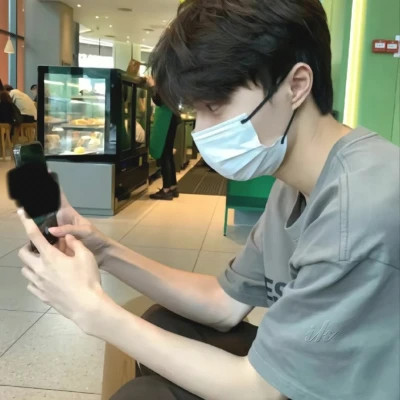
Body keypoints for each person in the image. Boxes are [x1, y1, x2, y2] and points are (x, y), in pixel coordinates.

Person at [16, 1, 399, 400]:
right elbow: (223, 304)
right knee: (164, 323)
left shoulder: (360, 209)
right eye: (197, 110)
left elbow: (259, 390)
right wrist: (104, 250)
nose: (202, 130)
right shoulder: (295, 184)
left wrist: (93, 310)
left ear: (296, 86)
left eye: (215, 106)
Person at [149, 89, 180, 200]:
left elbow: (159, 100)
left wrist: (152, 86)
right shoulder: (172, 81)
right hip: (172, 116)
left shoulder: (164, 81)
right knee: (168, 154)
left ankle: (166, 189)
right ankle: (172, 186)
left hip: (166, 118)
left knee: (165, 154)